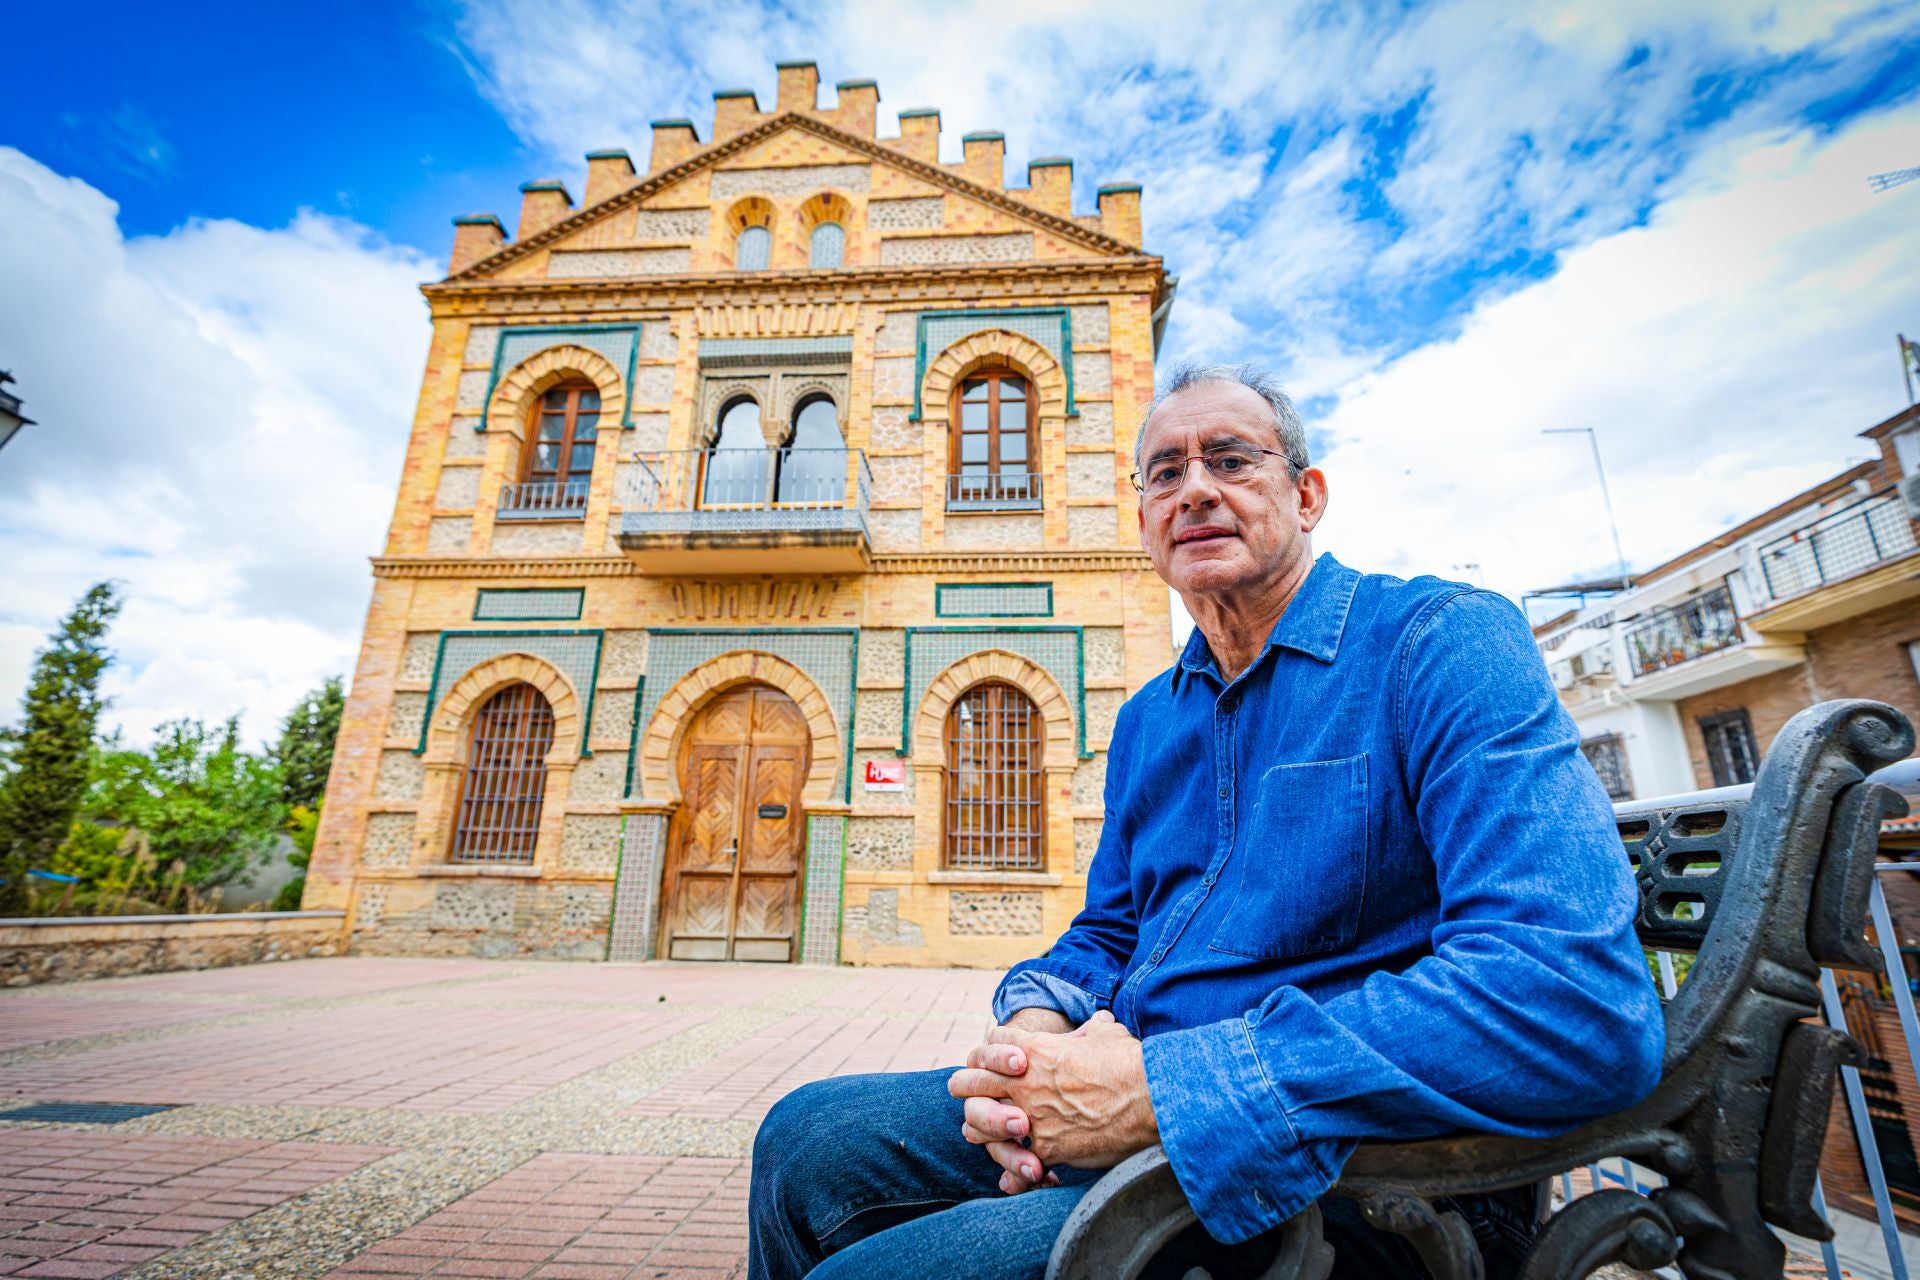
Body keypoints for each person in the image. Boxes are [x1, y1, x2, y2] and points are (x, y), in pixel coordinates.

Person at [748, 363, 1665, 1279]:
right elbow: (1107, 931)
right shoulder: (1153, 717)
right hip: (1146, 1117)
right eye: (1165, 473)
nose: (1195, 491)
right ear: (1143, 518)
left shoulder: (1435, 643)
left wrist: (1157, 1093)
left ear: (1306, 496)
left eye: (1230, 460)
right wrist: (1032, 1047)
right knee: (805, 1140)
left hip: (1358, 1173)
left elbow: (1572, 1000)